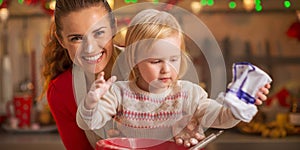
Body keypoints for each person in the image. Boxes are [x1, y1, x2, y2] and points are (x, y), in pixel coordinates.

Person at [76, 9, 271, 148]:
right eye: (155, 61)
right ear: (134, 59)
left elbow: (220, 117)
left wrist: (240, 103)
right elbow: (88, 122)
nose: (166, 69)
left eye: (174, 59)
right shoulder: (119, 93)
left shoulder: (189, 94)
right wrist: (91, 103)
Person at [41, 0, 119, 149]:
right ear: (61, 40)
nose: (90, 48)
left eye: (99, 33)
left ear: (114, 27)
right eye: (76, 38)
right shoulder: (62, 91)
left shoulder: (145, 65)